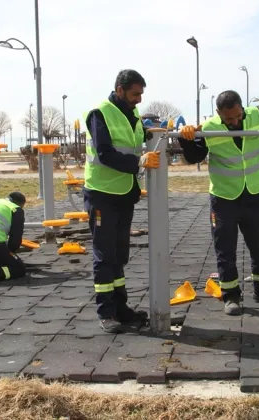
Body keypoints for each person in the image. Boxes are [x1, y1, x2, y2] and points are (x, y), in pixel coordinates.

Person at [178, 90, 259, 315]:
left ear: (242, 108)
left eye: (238, 116)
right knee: (225, 248)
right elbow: (194, 156)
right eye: (229, 119)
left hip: (254, 194)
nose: (236, 122)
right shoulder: (209, 128)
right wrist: (185, 137)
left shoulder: (255, 115)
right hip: (224, 198)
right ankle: (231, 295)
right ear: (218, 113)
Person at [84, 69, 159, 332]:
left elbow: (134, 139)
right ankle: (106, 313)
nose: (139, 99)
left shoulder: (133, 114)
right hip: (102, 193)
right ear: (119, 90)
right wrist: (138, 162)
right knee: (105, 255)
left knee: (119, 254)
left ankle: (120, 307)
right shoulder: (99, 113)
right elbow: (104, 153)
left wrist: (150, 131)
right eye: (135, 93)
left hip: (124, 193)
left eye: (141, 94)